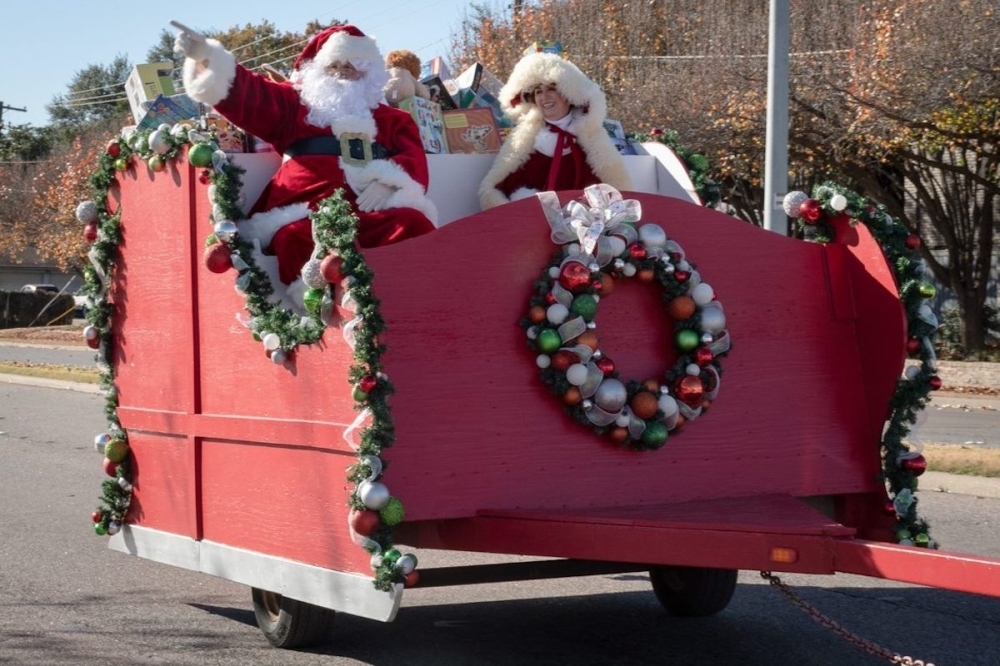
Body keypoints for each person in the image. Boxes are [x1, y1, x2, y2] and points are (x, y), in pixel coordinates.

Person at [173, 23, 437, 307]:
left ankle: (413, 300)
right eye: (334, 65)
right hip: (307, 211)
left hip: (369, 212)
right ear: (318, 69)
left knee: (412, 222)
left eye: (352, 66)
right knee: (293, 237)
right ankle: (325, 309)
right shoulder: (293, 107)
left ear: (369, 73)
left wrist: (390, 183)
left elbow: (413, 159)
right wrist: (208, 58)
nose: (342, 72)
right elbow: (251, 94)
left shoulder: (393, 120)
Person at [478, 52, 632, 210]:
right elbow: (493, 188)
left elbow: (619, 189)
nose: (544, 97)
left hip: (584, 219)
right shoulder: (524, 138)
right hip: (534, 218)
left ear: (568, 94)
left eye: (551, 89)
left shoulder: (591, 136)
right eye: (538, 92)